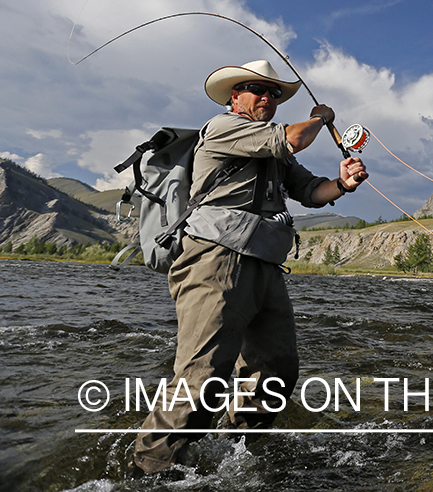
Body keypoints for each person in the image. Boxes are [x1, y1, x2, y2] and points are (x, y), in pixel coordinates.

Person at [132, 60, 367, 474]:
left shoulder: (275, 150)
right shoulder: (223, 128)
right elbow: (294, 138)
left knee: (276, 369)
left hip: (265, 265)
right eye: (255, 89)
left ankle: (236, 451)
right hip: (214, 260)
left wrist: (344, 184)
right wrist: (320, 118)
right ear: (233, 98)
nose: (267, 97)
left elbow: (313, 192)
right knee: (202, 375)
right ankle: (149, 471)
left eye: (273, 92)